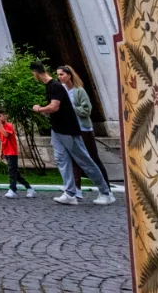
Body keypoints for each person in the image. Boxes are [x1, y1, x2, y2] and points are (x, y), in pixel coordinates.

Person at [30, 61, 113, 205]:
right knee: (61, 159)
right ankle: (70, 193)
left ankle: (105, 193)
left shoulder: (55, 86)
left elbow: (54, 107)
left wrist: (39, 109)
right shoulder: (51, 86)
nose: (59, 77)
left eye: (62, 74)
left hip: (68, 129)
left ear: (36, 73)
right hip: (57, 129)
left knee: (84, 160)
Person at [58, 65, 109, 189]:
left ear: (69, 75)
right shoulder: (62, 90)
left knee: (93, 157)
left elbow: (86, 110)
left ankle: (106, 186)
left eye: (62, 74)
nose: (59, 77)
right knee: (73, 159)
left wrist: (71, 109)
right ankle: (76, 189)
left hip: (84, 129)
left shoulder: (79, 90)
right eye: (58, 75)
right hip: (71, 129)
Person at [0, 108, 35, 199]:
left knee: (12, 172)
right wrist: (1, 152)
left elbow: (6, 135)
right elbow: (2, 140)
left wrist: (0, 126)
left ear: (5, 116)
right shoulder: (1, 128)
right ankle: (29, 188)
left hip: (12, 152)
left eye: (0, 116)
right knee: (16, 173)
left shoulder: (9, 126)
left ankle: (13, 190)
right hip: (7, 152)